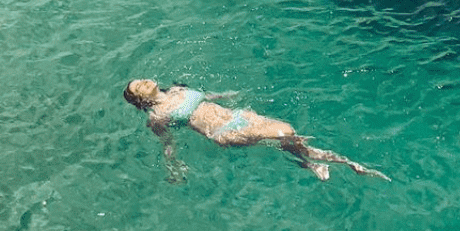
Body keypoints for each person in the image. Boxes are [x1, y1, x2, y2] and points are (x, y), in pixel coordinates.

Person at [123, 79, 388, 181]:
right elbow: (167, 143)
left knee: (287, 133)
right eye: (139, 85)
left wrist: (229, 94)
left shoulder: (178, 90)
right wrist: (174, 166)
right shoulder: (158, 116)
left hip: (238, 116)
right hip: (223, 132)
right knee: (285, 134)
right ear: (140, 99)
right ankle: (339, 163)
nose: (145, 80)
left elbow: (208, 96)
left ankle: (313, 163)